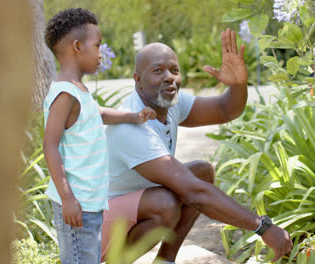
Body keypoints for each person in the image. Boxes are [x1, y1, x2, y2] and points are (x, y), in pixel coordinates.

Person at [101, 28, 292, 263]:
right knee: (166, 203)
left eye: (174, 70)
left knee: (201, 172)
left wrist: (239, 84)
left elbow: (225, 109)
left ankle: (165, 260)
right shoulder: (130, 124)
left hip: (133, 205)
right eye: (158, 71)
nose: (169, 77)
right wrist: (263, 227)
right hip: (98, 225)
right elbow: (194, 192)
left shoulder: (169, 104)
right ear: (137, 80)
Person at [42, 8, 156, 264]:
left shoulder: (78, 91)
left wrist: (132, 116)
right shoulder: (65, 95)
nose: (101, 53)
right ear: (77, 47)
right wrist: (67, 197)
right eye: (98, 45)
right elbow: (50, 146)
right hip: (75, 204)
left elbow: (97, 113)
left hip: (90, 202)